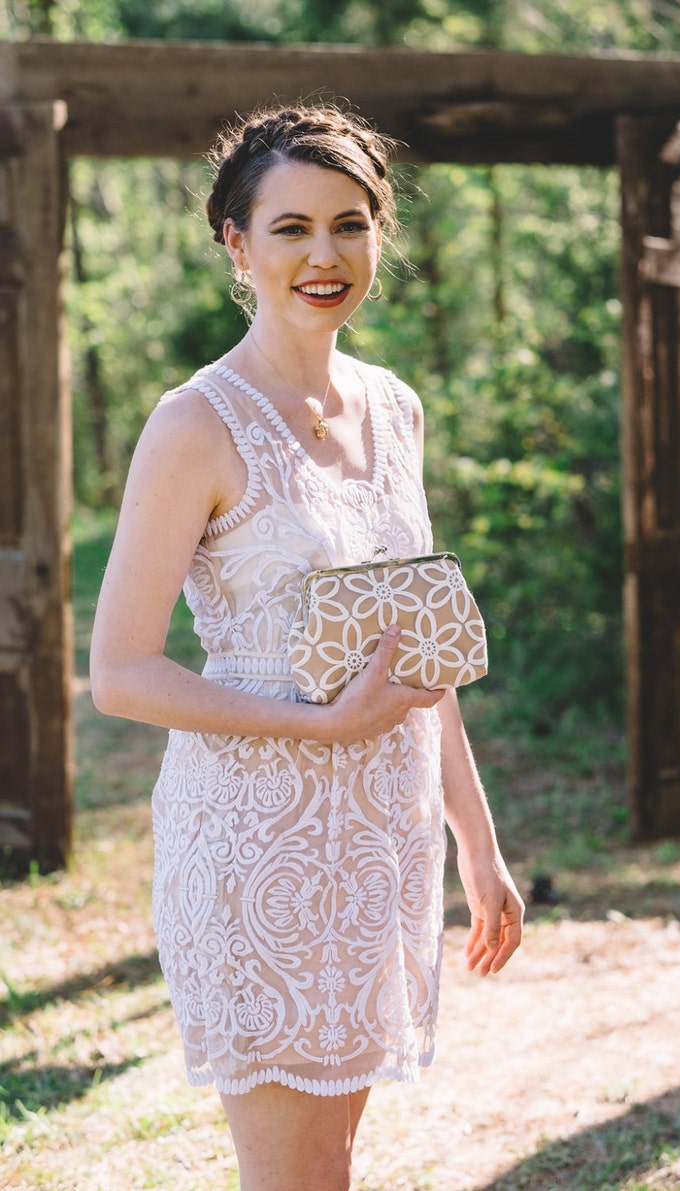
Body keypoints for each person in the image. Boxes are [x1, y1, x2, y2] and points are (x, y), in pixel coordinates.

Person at [90, 103, 524, 1191]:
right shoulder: (195, 424)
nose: (322, 255)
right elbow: (120, 674)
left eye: (348, 223)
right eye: (289, 229)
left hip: (380, 843)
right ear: (237, 244)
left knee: (329, 1164)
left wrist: (475, 839)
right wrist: (317, 723)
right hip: (252, 847)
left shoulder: (394, 409)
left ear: (380, 233)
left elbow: (416, 647)